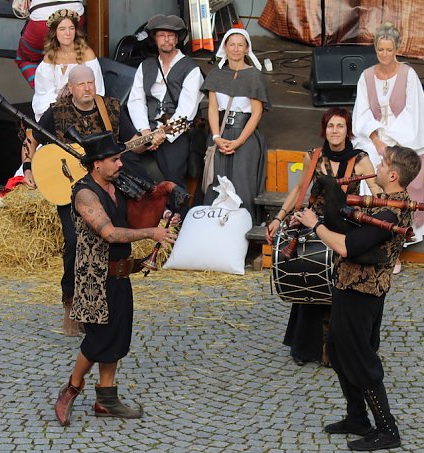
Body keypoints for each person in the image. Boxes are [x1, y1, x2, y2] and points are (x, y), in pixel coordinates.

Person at [292, 145, 420, 452]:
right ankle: (357, 418)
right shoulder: (384, 202)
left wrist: (316, 225)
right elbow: (353, 227)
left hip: (363, 293)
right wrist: (333, 204)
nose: (376, 164)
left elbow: (349, 246)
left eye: (383, 162)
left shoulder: (392, 211)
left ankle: (387, 429)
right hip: (350, 286)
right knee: (337, 350)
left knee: (361, 359)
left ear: (392, 174)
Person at [53, 132, 177, 425]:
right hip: (94, 280)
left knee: (118, 339)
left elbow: (135, 214)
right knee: (98, 340)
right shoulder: (85, 195)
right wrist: (151, 233)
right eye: (114, 159)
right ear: (97, 165)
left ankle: (106, 399)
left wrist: (161, 209)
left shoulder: (114, 186)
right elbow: (108, 233)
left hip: (120, 274)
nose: (120, 164)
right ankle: (72, 388)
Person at [266, 108, 378, 366]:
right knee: (309, 275)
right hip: (314, 223)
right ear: (323, 129)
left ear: (347, 130)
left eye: (340, 126)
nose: (334, 131)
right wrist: (278, 218)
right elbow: (299, 189)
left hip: (348, 226)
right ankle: (307, 348)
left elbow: (376, 190)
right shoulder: (313, 156)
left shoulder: (361, 159)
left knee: (345, 287)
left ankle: (343, 348)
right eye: (330, 126)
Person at [26, 64, 124, 336]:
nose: (87, 88)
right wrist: (27, 166)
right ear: (70, 88)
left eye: (91, 83)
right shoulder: (57, 113)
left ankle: (101, 305)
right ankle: (70, 303)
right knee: (73, 243)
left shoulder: (112, 109)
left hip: (105, 188)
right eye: (81, 84)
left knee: (109, 243)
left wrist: (149, 139)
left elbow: (131, 140)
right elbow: (30, 136)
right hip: (69, 189)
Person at [352, 22, 424, 255]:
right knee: (365, 160)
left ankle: (395, 243)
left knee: (400, 165)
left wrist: (392, 144)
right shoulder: (367, 76)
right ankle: (369, 234)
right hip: (374, 137)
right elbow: (362, 112)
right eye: (380, 50)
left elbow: (413, 113)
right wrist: (377, 140)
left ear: (396, 48)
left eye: (389, 50)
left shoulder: (408, 74)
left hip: (403, 138)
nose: (384, 55)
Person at [201, 28, 270, 225]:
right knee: (216, 184)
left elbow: (257, 113)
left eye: (241, 45)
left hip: (244, 137)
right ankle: (213, 233)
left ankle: (244, 234)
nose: (236, 49)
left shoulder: (254, 75)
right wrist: (215, 137)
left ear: (247, 48)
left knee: (242, 185)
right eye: (232, 44)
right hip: (220, 134)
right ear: (225, 47)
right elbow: (213, 108)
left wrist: (238, 141)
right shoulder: (217, 74)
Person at [124, 14, 203, 187]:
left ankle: (176, 213)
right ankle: (150, 203)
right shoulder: (146, 66)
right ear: (155, 39)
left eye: (170, 35)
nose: (166, 39)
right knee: (124, 159)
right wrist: (145, 132)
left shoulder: (191, 69)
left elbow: (187, 112)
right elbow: (136, 100)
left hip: (176, 132)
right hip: (148, 130)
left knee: (173, 177)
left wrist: (163, 135)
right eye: (161, 35)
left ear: (176, 39)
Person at [31, 9, 103, 122]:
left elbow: (97, 89)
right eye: (62, 29)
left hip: (84, 113)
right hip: (56, 113)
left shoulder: (87, 54)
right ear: (55, 32)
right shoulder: (49, 58)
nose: (68, 33)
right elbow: (43, 93)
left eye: (71, 28)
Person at [16, 0, 85, 88]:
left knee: (26, 59)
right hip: (75, 13)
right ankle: (72, 93)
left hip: (42, 18)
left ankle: (45, 92)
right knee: (72, 54)